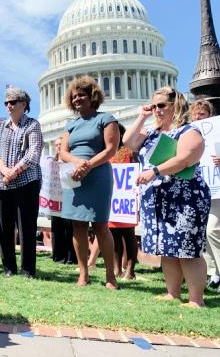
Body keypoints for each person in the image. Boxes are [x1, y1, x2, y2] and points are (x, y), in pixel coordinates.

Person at [124, 87, 211, 307]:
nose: (157, 110)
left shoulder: (188, 131)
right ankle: (173, 293)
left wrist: (154, 172)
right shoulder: (151, 133)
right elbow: (127, 142)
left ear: (176, 104)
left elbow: (185, 159)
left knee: (187, 249)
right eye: (154, 106)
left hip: (185, 199)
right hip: (158, 200)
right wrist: (142, 117)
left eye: (161, 105)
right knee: (168, 248)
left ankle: (196, 299)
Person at [59, 76, 119, 289]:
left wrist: (88, 165)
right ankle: (83, 273)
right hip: (75, 177)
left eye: (81, 95)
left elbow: (111, 149)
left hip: (98, 176)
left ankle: (110, 276)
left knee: (101, 226)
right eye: (74, 96)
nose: (77, 99)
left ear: (92, 96)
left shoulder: (106, 119)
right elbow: (63, 152)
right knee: (78, 225)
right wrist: (78, 164)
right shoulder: (71, 125)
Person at [0, 87, 43, 278]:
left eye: (13, 102)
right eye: (6, 103)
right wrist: (4, 170)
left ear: (24, 104)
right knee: (3, 228)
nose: (9, 106)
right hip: (0, 183)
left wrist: (13, 172)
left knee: (26, 227)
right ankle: (9, 268)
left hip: (26, 182)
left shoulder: (32, 125)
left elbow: (33, 153)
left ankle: (27, 269)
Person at [190, 99, 220, 291]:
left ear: (209, 116)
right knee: (202, 233)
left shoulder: (217, 132)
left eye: (201, 114)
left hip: (217, 188)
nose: (197, 117)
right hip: (199, 188)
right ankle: (214, 272)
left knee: (212, 230)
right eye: (195, 114)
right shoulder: (189, 135)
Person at [108, 123, 138, 280]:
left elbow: (136, 169)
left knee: (129, 234)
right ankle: (116, 268)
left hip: (127, 198)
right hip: (112, 198)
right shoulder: (106, 151)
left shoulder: (130, 150)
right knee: (114, 234)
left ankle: (130, 270)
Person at [50, 137, 76, 265]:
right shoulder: (52, 161)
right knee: (56, 227)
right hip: (55, 199)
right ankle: (58, 255)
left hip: (69, 197)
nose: (58, 147)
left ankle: (71, 256)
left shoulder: (71, 160)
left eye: (60, 144)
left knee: (69, 227)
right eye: (56, 145)